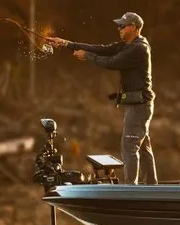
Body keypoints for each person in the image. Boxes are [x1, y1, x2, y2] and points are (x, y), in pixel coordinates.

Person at [49, 12, 157, 185]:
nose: (119, 28)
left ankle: (131, 191)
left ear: (134, 28)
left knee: (129, 147)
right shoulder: (127, 45)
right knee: (143, 149)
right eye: (119, 25)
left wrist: (87, 57)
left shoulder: (138, 48)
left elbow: (112, 62)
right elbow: (102, 49)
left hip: (139, 106)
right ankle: (151, 187)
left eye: (123, 25)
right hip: (138, 106)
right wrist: (67, 44)